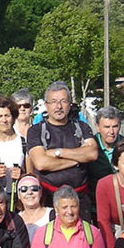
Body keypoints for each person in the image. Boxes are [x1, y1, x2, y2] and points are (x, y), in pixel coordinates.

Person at [26, 82, 98, 216]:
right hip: (48, 199)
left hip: (80, 199)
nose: (58, 106)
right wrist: (77, 159)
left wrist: (58, 152)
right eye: (53, 102)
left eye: (63, 101)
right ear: (46, 105)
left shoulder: (81, 127)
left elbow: (92, 153)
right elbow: (41, 163)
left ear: (70, 104)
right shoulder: (35, 131)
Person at [0, 96, 25, 202]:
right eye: (0, 116)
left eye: (7, 116)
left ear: (13, 118)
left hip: (19, 198)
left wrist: (21, 175)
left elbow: (31, 173)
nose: (4, 120)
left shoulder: (23, 142)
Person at [87, 106, 122, 195]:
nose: (111, 132)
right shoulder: (89, 146)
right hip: (95, 196)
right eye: (106, 127)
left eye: (115, 126)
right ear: (97, 127)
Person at [16, 174, 53, 241]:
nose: (29, 192)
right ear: (19, 195)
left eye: (34, 188)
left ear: (40, 192)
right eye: (24, 189)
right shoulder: (15, 220)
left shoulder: (54, 215)